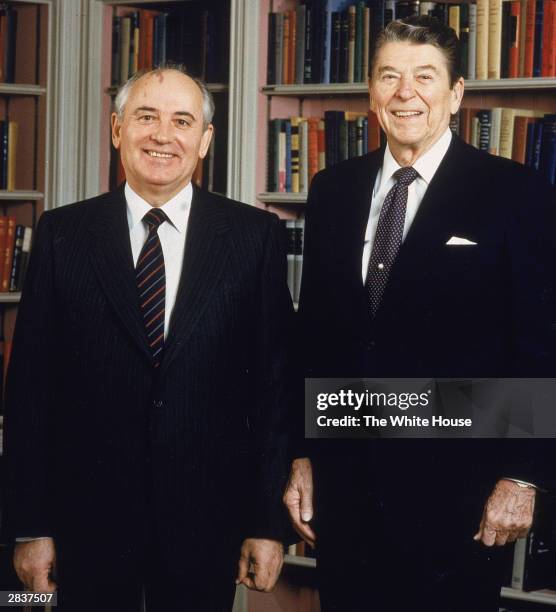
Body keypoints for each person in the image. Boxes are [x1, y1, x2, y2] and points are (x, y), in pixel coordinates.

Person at [284, 16, 556, 612]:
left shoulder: (517, 193)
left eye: (425, 76)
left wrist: (523, 475)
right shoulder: (333, 191)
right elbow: (316, 337)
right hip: (347, 485)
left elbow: (541, 344)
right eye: (390, 76)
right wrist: (302, 454)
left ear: (456, 94)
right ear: (371, 92)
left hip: (457, 492)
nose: (405, 92)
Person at [2, 66, 294, 612]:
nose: (163, 135)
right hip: (85, 522)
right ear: (117, 130)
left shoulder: (255, 238)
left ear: (205, 140)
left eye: (182, 121)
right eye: (146, 117)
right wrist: (30, 527)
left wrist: (266, 524)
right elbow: (31, 390)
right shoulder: (64, 235)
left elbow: (274, 393)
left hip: (208, 524)